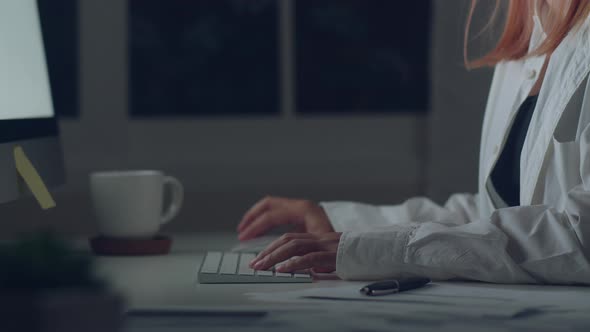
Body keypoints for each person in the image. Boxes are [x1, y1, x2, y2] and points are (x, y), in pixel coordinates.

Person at [237, 0, 590, 284]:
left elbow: (579, 236)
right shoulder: (528, 48)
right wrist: (338, 223)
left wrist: (385, 250)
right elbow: (495, 216)